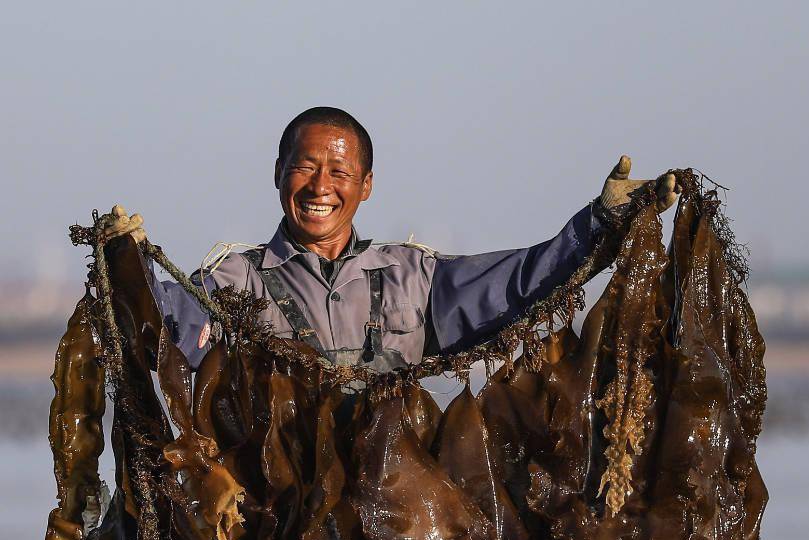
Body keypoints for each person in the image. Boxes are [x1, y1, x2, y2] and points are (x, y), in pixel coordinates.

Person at [100, 107, 679, 372]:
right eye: (304, 168)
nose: (320, 187)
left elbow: (521, 280)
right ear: (278, 173)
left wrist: (601, 221)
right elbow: (163, 330)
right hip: (271, 520)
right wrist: (127, 264)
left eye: (340, 172)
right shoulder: (231, 280)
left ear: (366, 185)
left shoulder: (414, 276)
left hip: (393, 514)